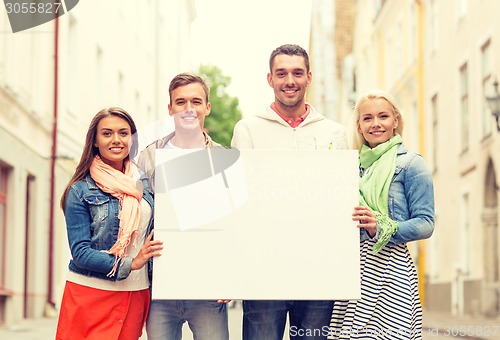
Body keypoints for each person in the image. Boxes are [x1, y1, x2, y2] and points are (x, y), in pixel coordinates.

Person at [231, 44, 349, 340]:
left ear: (309, 77)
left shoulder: (333, 133)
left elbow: (341, 199)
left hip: (318, 270)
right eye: (281, 73)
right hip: (264, 269)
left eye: (297, 73)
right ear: (269, 79)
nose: (289, 81)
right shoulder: (248, 129)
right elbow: (239, 201)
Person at [329, 90, 434, 339]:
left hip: (392, 271)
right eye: (367, 118)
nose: (376, 124)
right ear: (359, 125)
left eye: (383, 116)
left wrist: (383, 226)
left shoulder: (411, 163)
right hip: (354, 272)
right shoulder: (349, 166)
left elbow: (426, 223)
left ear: (395, 120)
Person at [56, 107, 163, 340]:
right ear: (95, 141)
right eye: (107, 133)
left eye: (123, 133)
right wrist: (131, 262)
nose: (116, 140)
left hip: (136, 293)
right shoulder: (80, 190)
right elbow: (81, 253)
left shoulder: (144, 182)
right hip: (91, 293)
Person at [138, 72, 230, 340]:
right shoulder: (149, 157)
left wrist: (231, 277)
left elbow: (234, 225)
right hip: (159, 287)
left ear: (207, 107)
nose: (189, 109)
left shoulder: (224, 159)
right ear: (170, 108)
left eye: (196, 101)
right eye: (180, 102)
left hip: (209, 290)